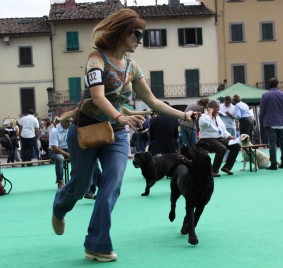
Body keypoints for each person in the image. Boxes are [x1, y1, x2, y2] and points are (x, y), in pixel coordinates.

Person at [51, 8, 198, 263]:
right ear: (121, 32)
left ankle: (96, 244)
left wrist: (185, 116)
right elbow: (97, 96)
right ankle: (60, 207)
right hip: (86, 129)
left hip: (117, 134)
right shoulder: (95, 60)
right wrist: (119, 115)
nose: (140, 40)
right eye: (136, 34)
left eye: (142, 35)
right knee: (81, 185)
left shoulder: (132, 66)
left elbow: (153, 101)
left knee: (112, 184)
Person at [259, 77, 283, 170]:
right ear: (277, 84)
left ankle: (273, 164)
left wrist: (261, 121)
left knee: (272, 144)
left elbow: (262, 110)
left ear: (269, 85)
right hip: (281, 122)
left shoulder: (265, 95)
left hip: (270, 123)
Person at [199, 100, 240, 177]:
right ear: (210, 108)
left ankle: (226, 167)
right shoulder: (203, 117)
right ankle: (214, 170)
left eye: (218, 107)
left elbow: (223, 130)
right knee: (222, 148)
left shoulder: (218, 117)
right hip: (206, 140)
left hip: (218, 139)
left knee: (236, 146)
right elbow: (207, 123)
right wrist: (210, 113)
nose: (218, 109)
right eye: (216, 107)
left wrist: (229, 136)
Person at [49, 117, 72, 189]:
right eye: (68, 122)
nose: (70, 123)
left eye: (70, 121)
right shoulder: (54, 131)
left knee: (78, 157)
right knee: (60, 158)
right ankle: (60, 181)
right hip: (54, 151)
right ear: (62, 122)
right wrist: (67, 154)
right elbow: (55, 148)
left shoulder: (70, 129)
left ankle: (75, 180)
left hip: (67, 149)